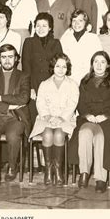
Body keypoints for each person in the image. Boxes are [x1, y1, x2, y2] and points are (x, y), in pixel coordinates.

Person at [68, 51, 110, 193]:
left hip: (107, 121)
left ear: (108, 65)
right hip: (88, 119)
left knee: (100, 137)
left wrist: (105, 116)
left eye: (102, 62)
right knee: (85, 132)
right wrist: (88, 115)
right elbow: (80, 104)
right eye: (96, 62)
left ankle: (100, 179)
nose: (99, 65)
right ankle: (84, 173)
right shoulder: (85, 81)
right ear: (92, 64)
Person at [0, 44, 31, 187]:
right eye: (3, 57)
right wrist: (8, 105)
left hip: (16, 117)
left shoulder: (23, 76)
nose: (7, 60)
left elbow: (23, 98)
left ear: (16, 59)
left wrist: (1, 97)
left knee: (13, 135)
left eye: (10, 57)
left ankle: (12, 166)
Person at [29, 53, 79, 186]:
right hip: (46, 118)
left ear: (67, 68)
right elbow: (40, 102)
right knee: (47, 133)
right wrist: (49, 117)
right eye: (58, 66)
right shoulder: (44, 84)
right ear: (53, 67)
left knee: (58, 134)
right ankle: (48, 169)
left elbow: (72, 103)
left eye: (64, 66)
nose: (61, 69)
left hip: (65, 119)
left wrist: (61, 118)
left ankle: (58, 169)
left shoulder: (73, 84)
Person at [22, 13, 63, 135]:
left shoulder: (56, 43)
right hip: (34, 85)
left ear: (50, 27)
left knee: (49, 119)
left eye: (44, 26)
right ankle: (32, 149)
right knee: (33, 118)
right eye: (38, 25)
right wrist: (30, 88)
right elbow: (26, 67)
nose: (40, 28)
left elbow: (59, 67)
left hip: (50, 86)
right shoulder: (28, 42)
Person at [59, 9, 102, 85]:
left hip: (88, 78)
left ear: (85, 22)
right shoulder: (65, 37)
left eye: (80, 21)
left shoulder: (93, 38)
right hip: (69, 78)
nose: (76, 23)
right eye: (74, 20)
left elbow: (99, 60)